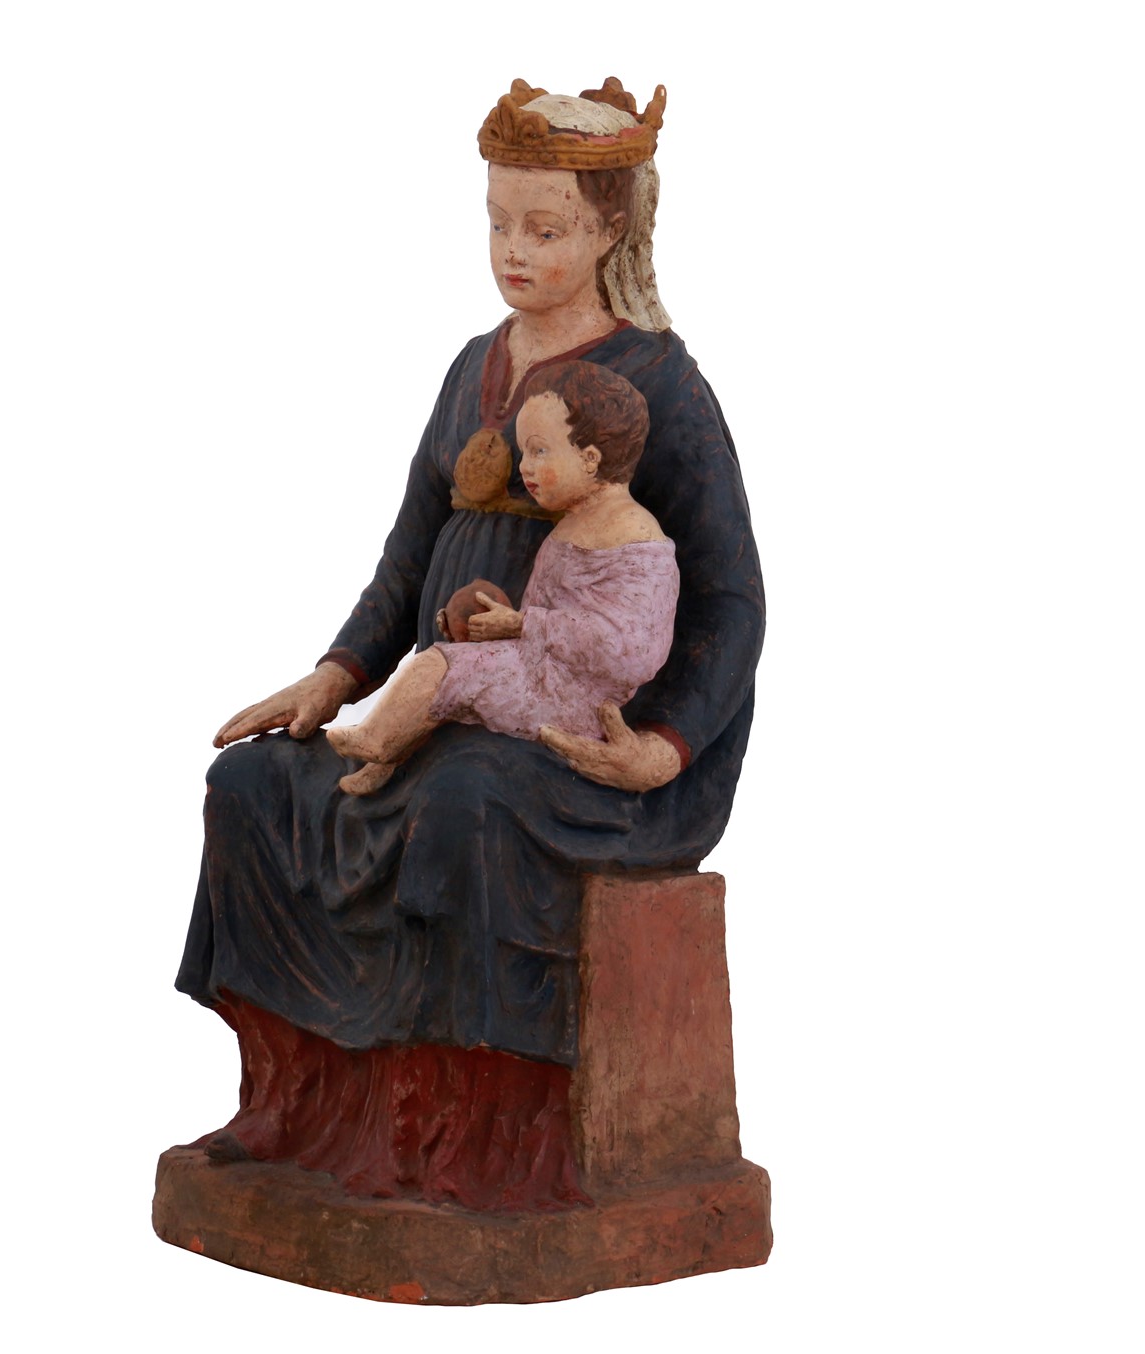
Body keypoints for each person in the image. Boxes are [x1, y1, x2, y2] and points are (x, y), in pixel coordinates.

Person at [175, 78, 766, 1212]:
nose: (513, 251)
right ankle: (297, 1099)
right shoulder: (470, 367)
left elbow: (731, 600)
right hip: (446, 701)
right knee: (253, 785)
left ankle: (477, 1137)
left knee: (462, 806)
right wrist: (334, 676)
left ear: (611, 228)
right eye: (498, 222)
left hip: (580, 738)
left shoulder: (660, 383)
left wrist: (664, 748)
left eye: (545, 228)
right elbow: (407, 555)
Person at [326, 359, 679, 795]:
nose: (524, 467)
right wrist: (498, 621)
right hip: (543, 670)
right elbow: (552, 606)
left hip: (574, 701)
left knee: (442, 668)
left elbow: (635, 650)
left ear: (590, 458)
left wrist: (522, 625)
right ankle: (387, 759)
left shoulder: (635, 540)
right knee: (452, 675)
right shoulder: (577, 520)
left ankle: (376, 740)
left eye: (539, 451)